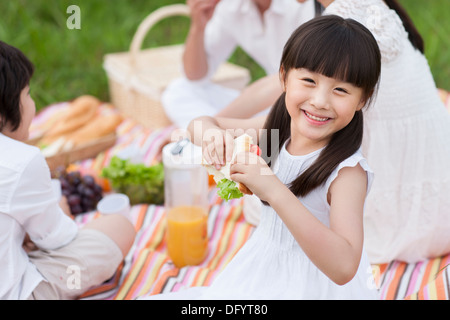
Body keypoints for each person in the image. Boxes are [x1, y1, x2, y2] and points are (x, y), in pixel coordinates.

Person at [146, 14, 382, 299]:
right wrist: (211, 134)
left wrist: (273, 188)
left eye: (340, 90)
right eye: (308, 80)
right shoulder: (277, 133)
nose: (320, 101)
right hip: (264, 268)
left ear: (362, 100)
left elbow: (344, 266)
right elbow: (201, 123)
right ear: (283, 77)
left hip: (315, 288)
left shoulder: (346, 172)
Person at [220, 0, 450, 264]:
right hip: (436, 193)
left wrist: (217, 121)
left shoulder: (346, 23)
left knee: (271, 199)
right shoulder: (367, 6)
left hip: (398, 213)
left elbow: (277, 89)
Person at [0, 41, 136, 300]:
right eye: (27, 94)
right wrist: (59, 209)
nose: (33, 104)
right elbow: (55, 239)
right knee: (119, 226)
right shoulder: (20, 161)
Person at [161, 0, 318, 129]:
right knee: (178, 92)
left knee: (285, 121)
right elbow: (195, 76)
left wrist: (209, 127)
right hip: (264, 106)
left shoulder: (304, 5)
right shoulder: (232, 6)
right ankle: (230, 142)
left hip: (304, 106)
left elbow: (293, 80)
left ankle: (212, 144)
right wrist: (198, 25)